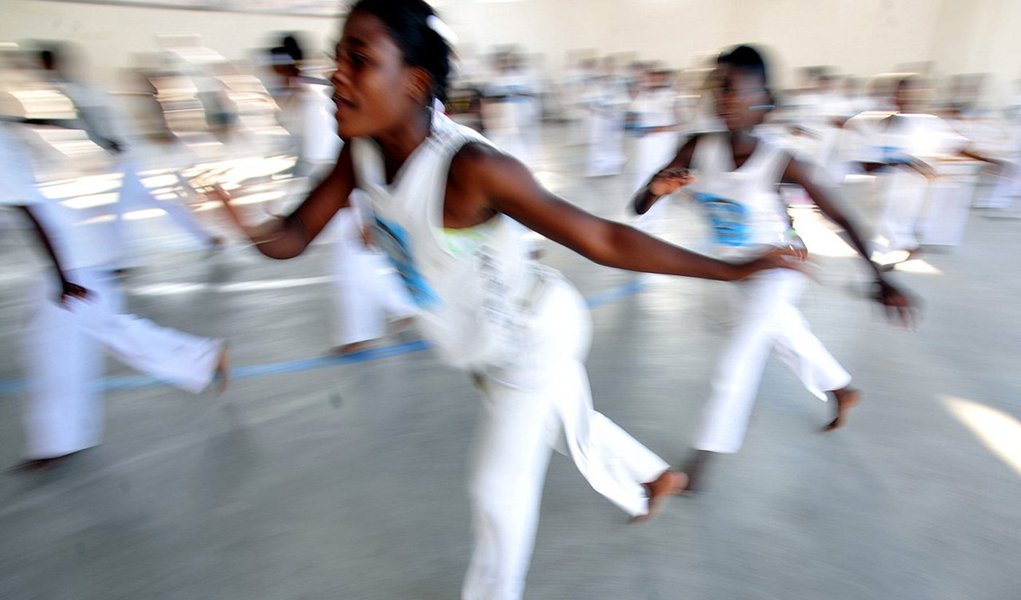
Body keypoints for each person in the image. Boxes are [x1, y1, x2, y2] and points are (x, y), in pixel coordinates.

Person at [212, 4, 800, 598]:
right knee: (568, 421)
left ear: (414, 81)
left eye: (358, 60)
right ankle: (651, 480)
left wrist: (734, 270)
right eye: (337, 57)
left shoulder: (471, 169)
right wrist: (249, 228)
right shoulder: (358, 153)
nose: (335, 75)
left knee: (496, 491)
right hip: (475, 341)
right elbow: (292, 235)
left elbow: (604, 238)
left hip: (530, 334)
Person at [631, 45, 916, 493]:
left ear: (762, 100)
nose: (721, 98)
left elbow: (842, 217)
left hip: (779, 265)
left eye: (732, 89)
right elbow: (640, 205)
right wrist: (655, 191)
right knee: (785, 334)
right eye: (716, 88)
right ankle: (841, 389)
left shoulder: (781, 161)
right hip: (735, 268)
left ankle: (701, 463)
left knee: (737, 358)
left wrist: (881, 277)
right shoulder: (696, 145)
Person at [1, 122, 229, 471]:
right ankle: (59, 441)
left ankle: (204, 357)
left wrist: (63, 278)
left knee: (63, 346)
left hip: (71, 258)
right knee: (77, 339)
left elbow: (30, 213)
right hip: (79, 250)